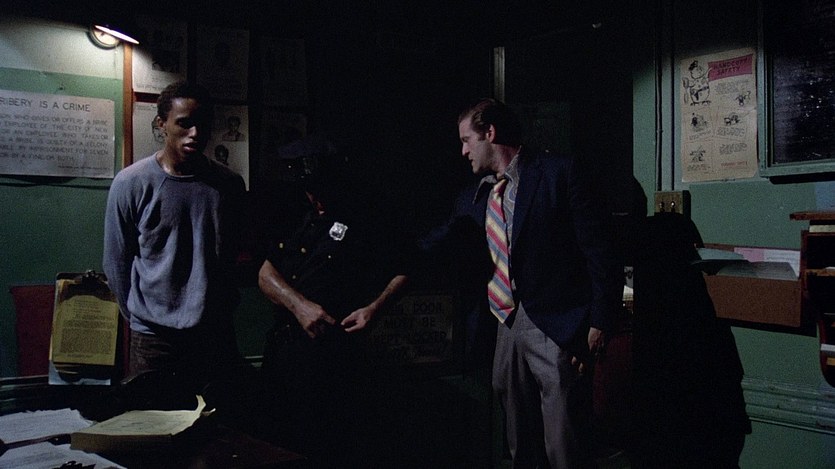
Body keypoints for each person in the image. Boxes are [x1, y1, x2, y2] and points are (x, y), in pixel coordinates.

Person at [418, 98, 622, 468]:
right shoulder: (475, 196)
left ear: (490, 132)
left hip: (556, 323)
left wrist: (600, 320)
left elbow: (599, 251)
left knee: (563, 440)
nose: (463, 151)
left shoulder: (558, 173)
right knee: (517, 435)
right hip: (504, 322)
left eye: (467, 140)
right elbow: (436, 243)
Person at [256, 140, 408, 467]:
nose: (317, 199)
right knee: (281, 444)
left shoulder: (366, 218)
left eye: (322, 190)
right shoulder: (292, 213)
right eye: (310, 191)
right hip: (286, 351)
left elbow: (403, 268)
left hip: (337, 354)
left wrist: (374, 309)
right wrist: (299, 306)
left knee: (332, 447)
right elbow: (265, 273)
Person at [102, 81, 246, 396]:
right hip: (154, 339)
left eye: (203, 124)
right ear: (161, 124)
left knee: (217, 419)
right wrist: (142, 318)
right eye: (184, 123)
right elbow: (116, 263)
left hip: (212, 333)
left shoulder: (229, 185)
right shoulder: (131, 184)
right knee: (153, 419)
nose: (195, 133)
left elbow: (232, 257)